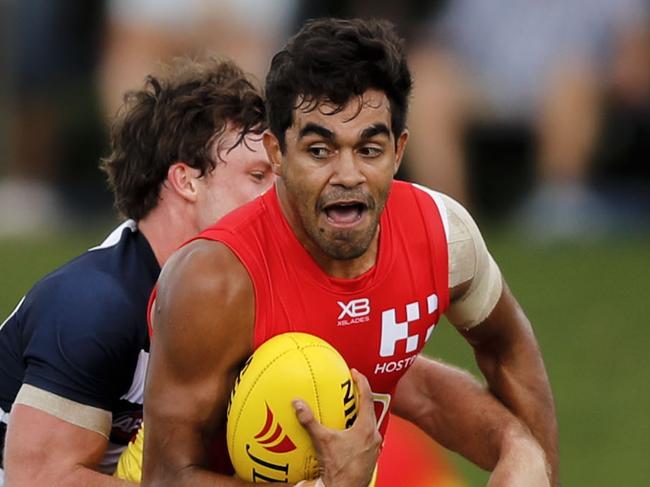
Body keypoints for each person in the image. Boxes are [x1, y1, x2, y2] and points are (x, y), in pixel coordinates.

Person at [143, 18, 557, 487]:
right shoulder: (214, 281)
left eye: (369, 148)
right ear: (277, 155)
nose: (347, 174)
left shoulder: (443, 234)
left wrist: (525, 450)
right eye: (319, 150)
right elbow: (165, 477)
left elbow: (503, 350)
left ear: (399, 152)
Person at [0, 57, 274, 485]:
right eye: (259, 175)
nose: (278, 196)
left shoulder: (243, 293)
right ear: (186, 181)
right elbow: (37, 479)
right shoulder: (94, 306)